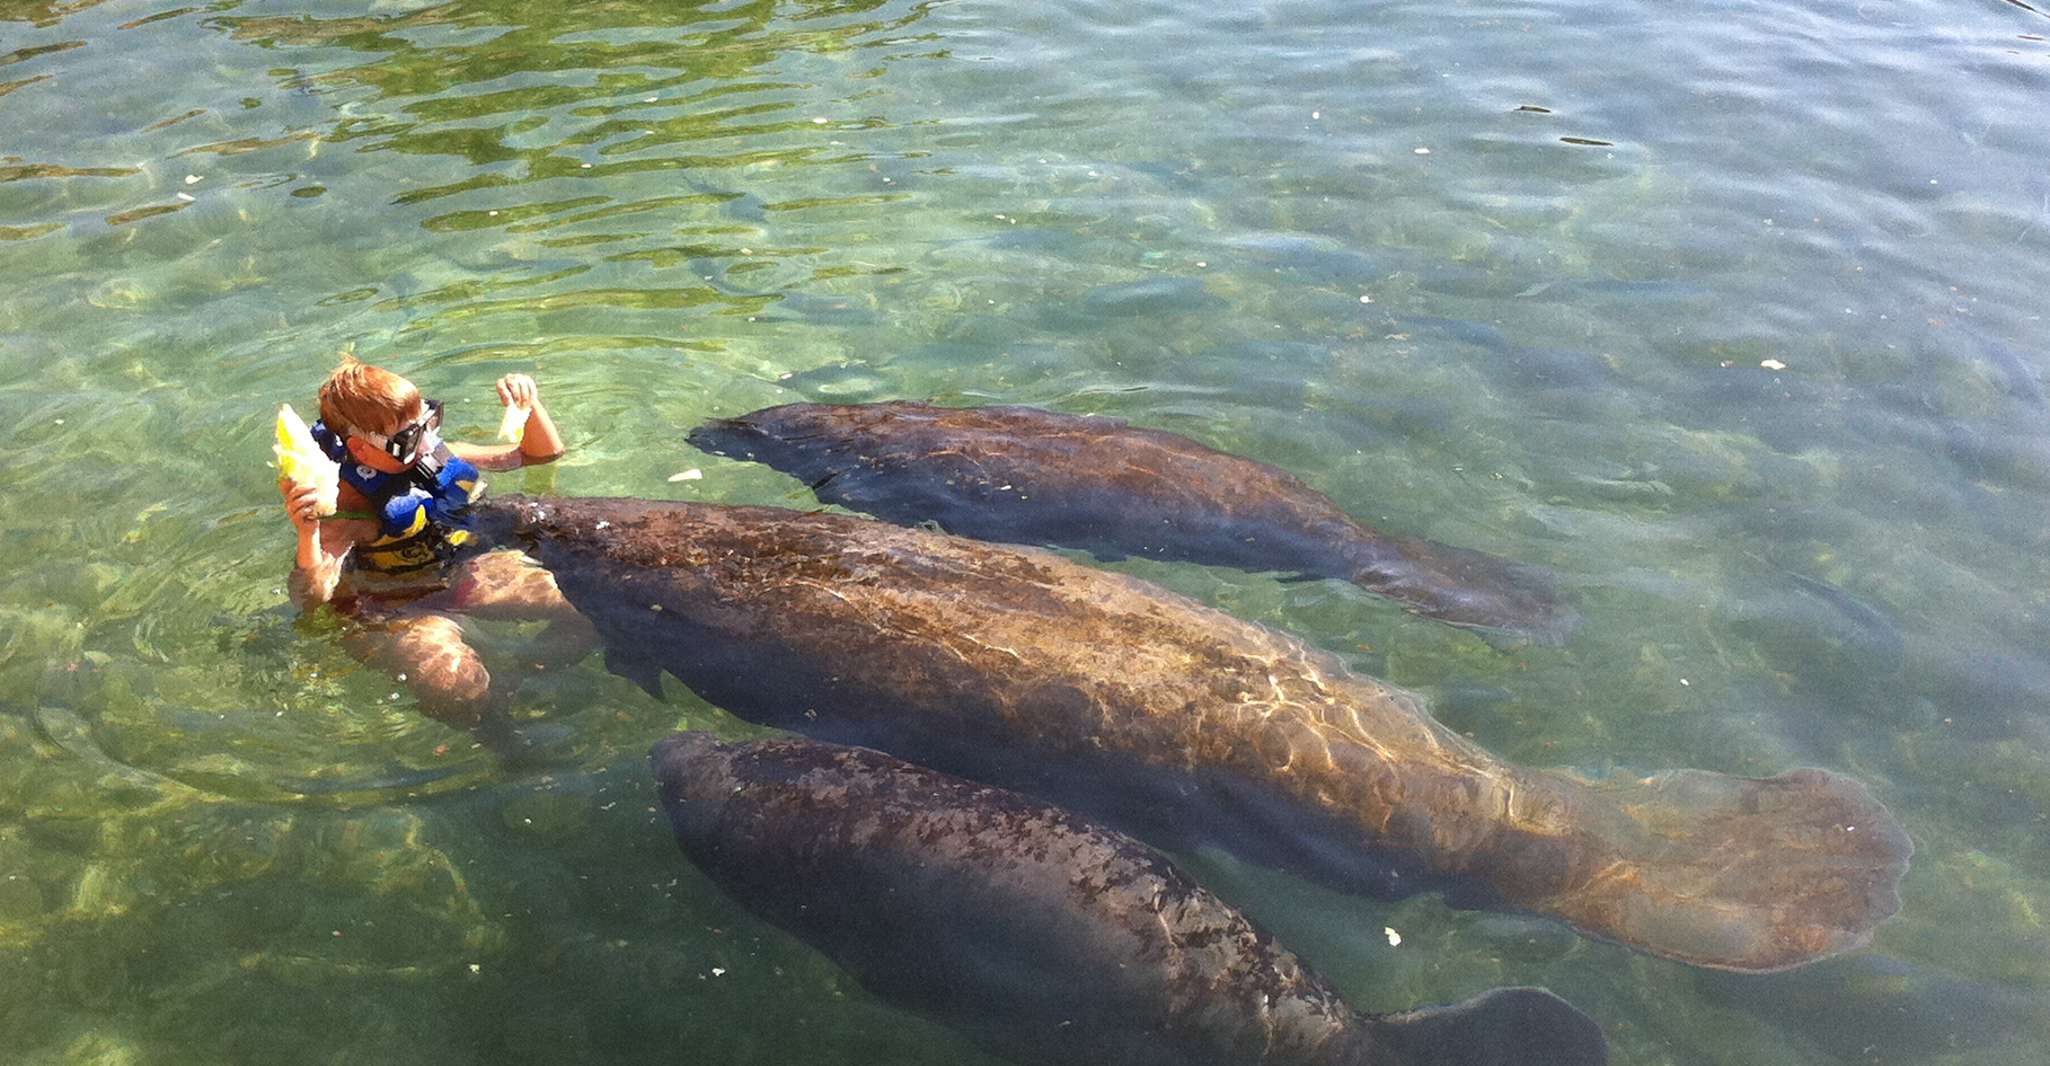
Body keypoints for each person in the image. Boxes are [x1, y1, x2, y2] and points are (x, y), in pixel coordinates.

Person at [278, 356, 596, 736]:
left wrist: (531, 410)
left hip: (460, 575)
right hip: (395, 609)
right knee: (458, 686)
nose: (427, 440)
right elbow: (311, 600)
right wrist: (306, 533)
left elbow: (539, 455)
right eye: (408, 439)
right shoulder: (350, 512)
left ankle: (525, 674)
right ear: (361, 451)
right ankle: (499, 739)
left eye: (429, 421)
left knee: (591, 596)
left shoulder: (434, 457)